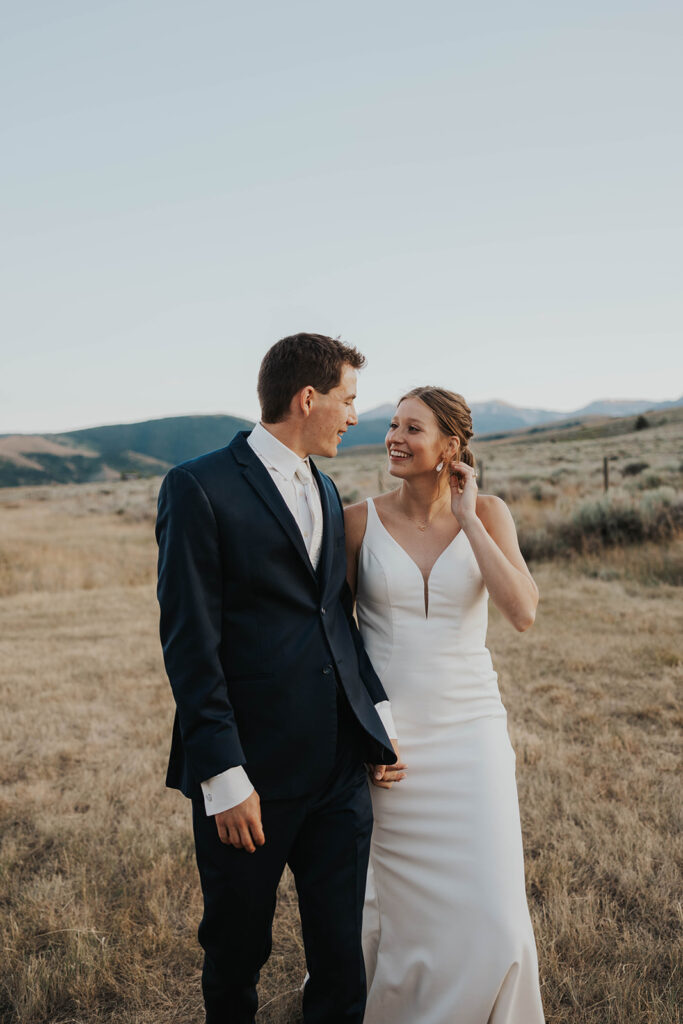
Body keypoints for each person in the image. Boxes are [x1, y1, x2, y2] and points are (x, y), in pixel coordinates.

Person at [155, 333, 400, 1024]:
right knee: (236, 950)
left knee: (339, 954)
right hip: (251, 777)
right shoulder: (198, 485)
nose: (355, 416)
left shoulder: (323, 488)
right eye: (348, 400)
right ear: (307, 397)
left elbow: (335, 621)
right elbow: (189, 642)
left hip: (337, 772)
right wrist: (223, 776)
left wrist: (375, 724)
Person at [344, 386, 545, 1024]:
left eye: (413, 428)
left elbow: (522, 613)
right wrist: (365, 733)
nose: (394, 438)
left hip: (471, 731)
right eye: (393, 425)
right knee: (399, 913)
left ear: (450, 448)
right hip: (392, 738)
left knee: (495, 911)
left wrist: (467, 518)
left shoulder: (490, 513)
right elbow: (334, 639)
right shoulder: (357, 520)